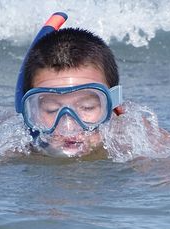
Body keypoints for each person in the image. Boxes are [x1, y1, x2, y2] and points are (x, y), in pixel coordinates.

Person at [15, 12, 124, 157]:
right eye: (51, 109)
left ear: (114, 106)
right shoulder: (19, 146)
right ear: (31, 112)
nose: (69, 127)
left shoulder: (132, 139)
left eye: (87, 107)